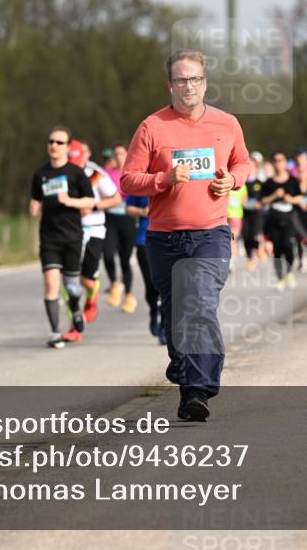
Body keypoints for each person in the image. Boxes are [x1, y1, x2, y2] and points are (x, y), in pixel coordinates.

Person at [121, 49, 250, 422]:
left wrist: (233, 179)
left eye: (194, 79)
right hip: (163, 238)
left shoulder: (227, 124)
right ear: (170, 85)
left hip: (210, 232)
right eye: (181, 80)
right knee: (176, 314)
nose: (188, 86)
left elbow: (242, 161)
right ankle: (187, 379)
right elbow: (128, 180)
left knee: (199, 304)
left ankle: (199, 388)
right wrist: (163, 179)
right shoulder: (152, 126)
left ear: (205, 83)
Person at [30, 126, 96, 349]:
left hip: (72, 236)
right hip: (49, 236)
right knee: (51, 282)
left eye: (59, 142)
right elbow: (36, 198)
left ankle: (76, 308)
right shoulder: (40, 174)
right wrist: (34, 206)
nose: (54, 146)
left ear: (68, 147)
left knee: (72, 286)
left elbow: (89, 201)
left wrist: (70, 201)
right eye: (51, 142)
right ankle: (55, 332)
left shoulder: (76, 173)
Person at [64, 140, 122, 342]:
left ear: (86, 156)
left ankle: (92, 296)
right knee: (67, 279)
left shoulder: (95, 174)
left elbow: (116, 199)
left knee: (87, 280)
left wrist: (94, 206)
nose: (75, 162)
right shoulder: (61, 173)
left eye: (78, 158)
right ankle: (74, 325)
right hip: (68, 232)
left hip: (94, 230)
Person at [261, 151, 304, 289]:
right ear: (273, 163)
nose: (279, 163)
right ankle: (280, 278)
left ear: (285, 162)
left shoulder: (293, 181)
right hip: (273, 221)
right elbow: (262, 200)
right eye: (276, 160)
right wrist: (274, 196)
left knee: (289, 248)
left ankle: (290, 272)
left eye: (281, 160)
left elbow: (300, 197)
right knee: (277, 251)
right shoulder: (268, 183)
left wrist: (290, 199)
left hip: (289, 220)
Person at [102, 143, 137, 312]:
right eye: (115, 153)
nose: (118, 156)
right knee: (108, 254)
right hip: (110, 218)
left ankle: (129, 295)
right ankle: (115, 284)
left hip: (128, 219)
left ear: (128, 154)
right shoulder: (107, 174)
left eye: (121, 153)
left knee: (125, 259)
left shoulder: (133, 173)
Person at [125, 193, 162, 342]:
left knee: (167, 286)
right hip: (144, 240)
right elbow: (128, 208)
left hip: (170, 239)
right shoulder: (142, 182)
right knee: (151, 284)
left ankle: (165, 326)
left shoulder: (176, 177)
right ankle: (154, 310)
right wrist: (142, 212)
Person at [241, 152, 267, 271]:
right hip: (244, 214)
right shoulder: (242, 183)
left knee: (255, 234)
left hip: (256, 214)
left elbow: (264, 199)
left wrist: (260, 203)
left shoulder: (260, 183)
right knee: (246, 236)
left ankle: (256, 253)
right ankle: (251, 256)